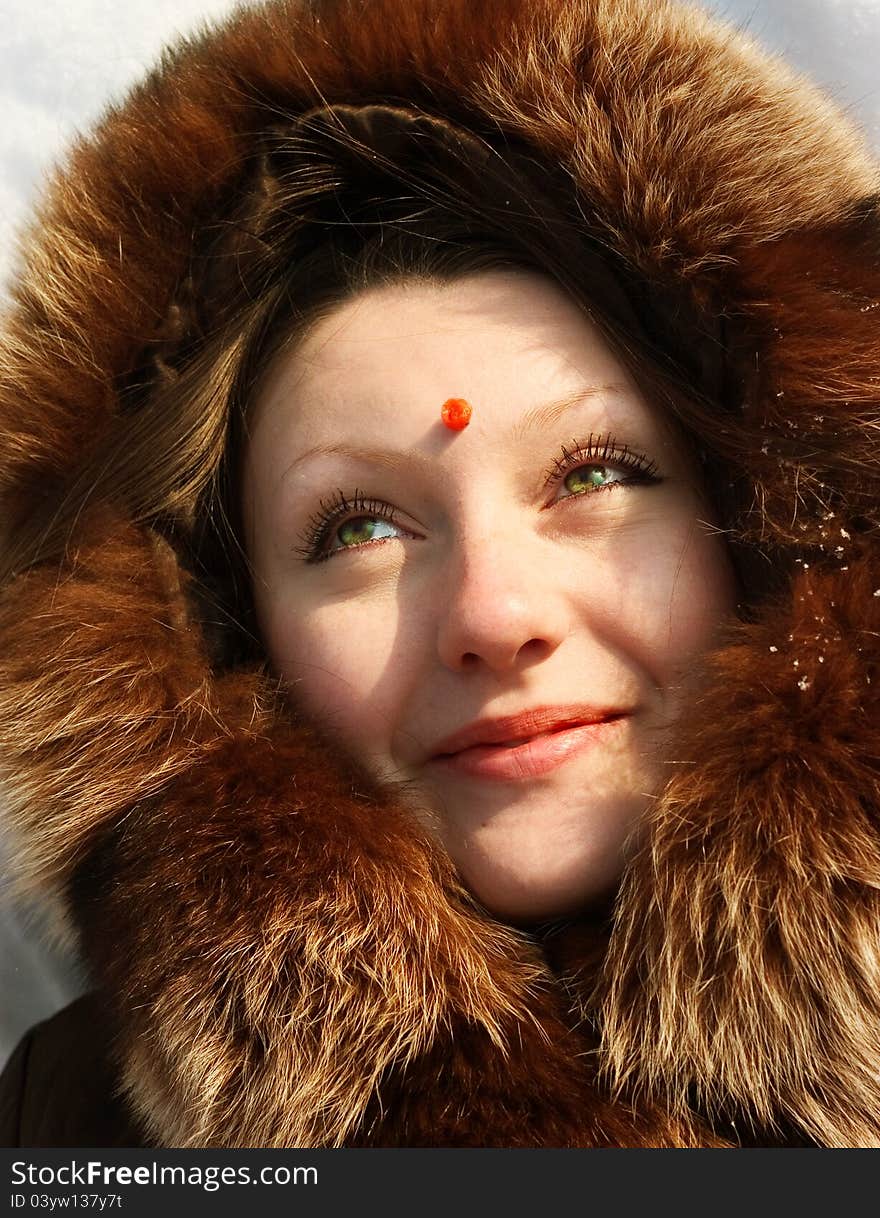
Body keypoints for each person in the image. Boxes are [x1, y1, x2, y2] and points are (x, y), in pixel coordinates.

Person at [0, 0, 878, 1149]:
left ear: (767, 525)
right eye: (358, 530)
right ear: (226, 638)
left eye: (595, 473)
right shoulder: (64, 1129)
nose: (493, 615)